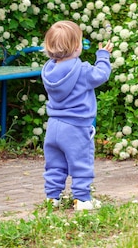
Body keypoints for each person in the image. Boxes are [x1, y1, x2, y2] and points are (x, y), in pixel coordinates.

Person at [41, 20, 114, 210]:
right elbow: (101, 75)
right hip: (76, 127)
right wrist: (103, 56)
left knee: (55, 164)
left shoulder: (48, 70)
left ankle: (52, 198)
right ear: (75, 46)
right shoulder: (82, 70)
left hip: (54, 126)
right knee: (81, 162)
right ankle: (82, 199)